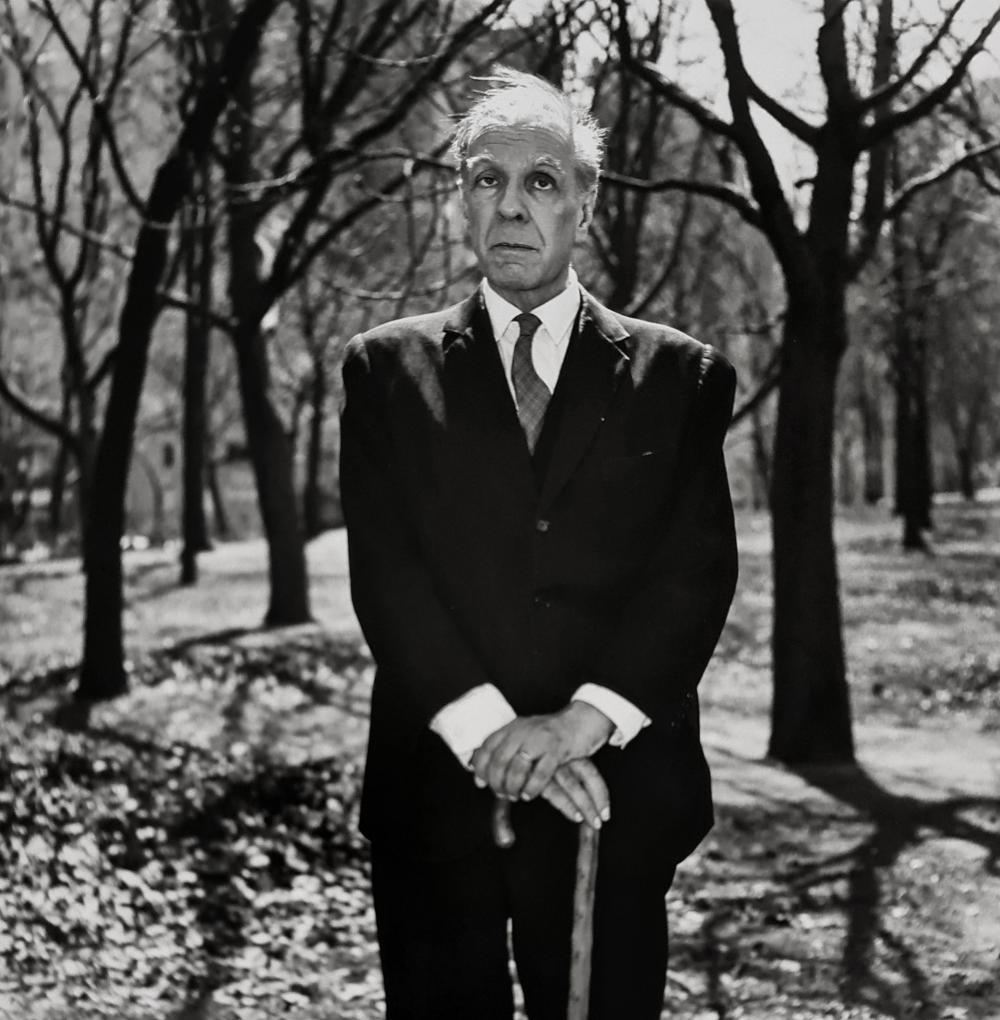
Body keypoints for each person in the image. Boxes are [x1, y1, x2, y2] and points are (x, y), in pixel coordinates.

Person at [339, 67, 738, 1020]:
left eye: (542, 182)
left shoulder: (679, 376)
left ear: (586, 205)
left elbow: (693, 578)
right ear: (461, 200)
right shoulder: (386, 371)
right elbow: (387, 578)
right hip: (436, 803)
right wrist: (493, 737)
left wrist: (576, 726)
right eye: (487, 179)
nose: (511, 205)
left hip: (613, 802)